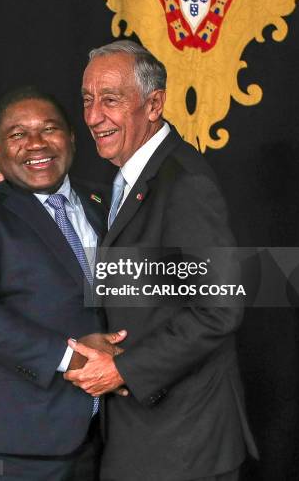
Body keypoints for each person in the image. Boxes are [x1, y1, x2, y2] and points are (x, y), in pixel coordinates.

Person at [64, 40, 258, 481]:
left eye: (110, 101)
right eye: (88, 100)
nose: (93, 117)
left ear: (154, 105)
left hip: (183, 445)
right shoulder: (126, 177)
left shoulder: (186, 184)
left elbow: (219, 307)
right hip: (142, 437)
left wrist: (121, 368)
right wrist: (16, 190)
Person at [0, 87, 126, 481]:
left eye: (49, 129)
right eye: (17, 134)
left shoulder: (108, 204)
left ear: (71, 138)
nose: (35, 143)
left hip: (92, 438)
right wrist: (77, 359)